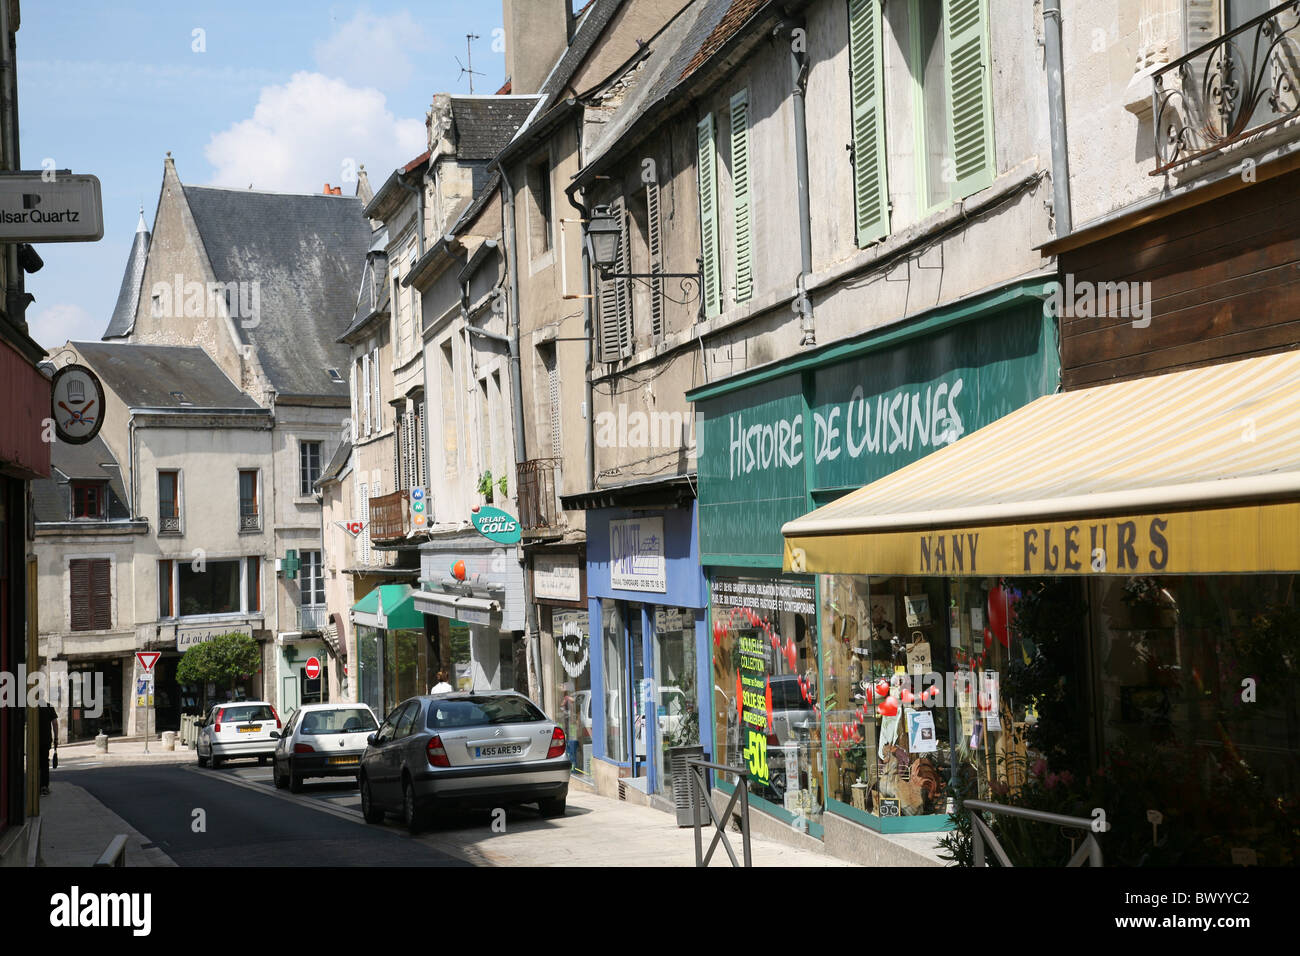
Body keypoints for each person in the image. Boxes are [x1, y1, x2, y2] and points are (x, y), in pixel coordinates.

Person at [37, 697, 58, 795]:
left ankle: (35, 785)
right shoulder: (49, 707)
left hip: (34, 741)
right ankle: (44, 787)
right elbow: (55, 723)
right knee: (44, 763)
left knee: (35, 763)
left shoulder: (31, 708)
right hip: (46, 740)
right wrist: (56, 738)